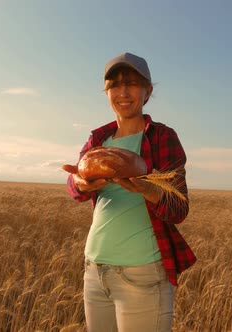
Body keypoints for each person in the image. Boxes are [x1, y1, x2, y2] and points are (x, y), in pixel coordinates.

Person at [64, 52, 196, 332]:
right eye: (114, 84)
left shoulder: (162, 137)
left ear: (147, 92)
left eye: (132, 83)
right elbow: (75, 187)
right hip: (95, 270)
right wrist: (81, 184)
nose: (123, 92)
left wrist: (147, 189)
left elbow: (179, 208)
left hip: (142, 274)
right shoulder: (98, 139)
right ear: (107, 92)